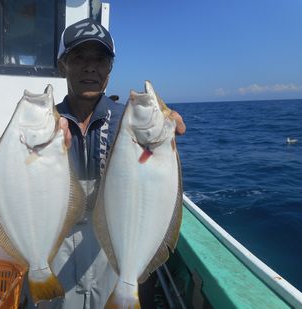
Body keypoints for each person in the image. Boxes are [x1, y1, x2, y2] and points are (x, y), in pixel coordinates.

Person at [24, 18, 186, 309]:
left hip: (113, 254)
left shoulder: (127, 121)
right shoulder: (42, 123)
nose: (90, 67)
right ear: (63, 65)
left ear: (110, 70)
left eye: (100, 59)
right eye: (79, 58)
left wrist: (166, 129)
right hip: (55, 255)